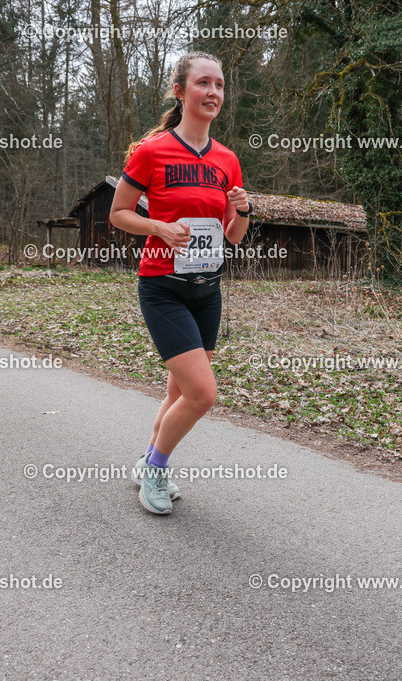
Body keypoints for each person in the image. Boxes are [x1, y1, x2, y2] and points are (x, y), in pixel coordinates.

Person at [110, 51, 251, 515]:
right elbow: (118, 214)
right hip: (162, 286)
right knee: (202, 393)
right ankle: (156, 467)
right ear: (180, 91)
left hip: (207, 291)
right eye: (204, 83)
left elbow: (232, 235)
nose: (213, 92)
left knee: (178, 391)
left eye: (220, 85)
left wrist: (244, 210)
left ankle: (149, 461)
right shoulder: (152, 152)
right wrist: (159, 229)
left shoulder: (227, 159)